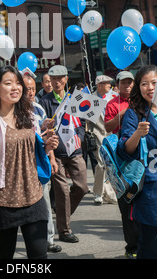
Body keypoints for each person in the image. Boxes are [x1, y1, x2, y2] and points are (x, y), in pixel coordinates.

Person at [0, 65, 59, 259]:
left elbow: (33, 151)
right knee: (4, 256)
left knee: (39, 256)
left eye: (17, 83)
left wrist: (47, 146)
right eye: (8, 83)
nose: (15, 87)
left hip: (33, 195)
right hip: (3, 200)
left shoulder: (28, 115)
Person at [39, 65, 88, 243]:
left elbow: (82, 123)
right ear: (49, 81)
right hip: (56, 152)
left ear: (67, 79)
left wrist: (79, 138)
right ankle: (65, 229)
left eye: (60, 78)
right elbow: (42, 128)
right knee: (62, 190)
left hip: (74, 150)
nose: (57, 81)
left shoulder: (75, 99)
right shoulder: (44, 101)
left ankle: (61, 210)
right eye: (53, 78)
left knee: (82, 187)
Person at [117, 65, 157, 259]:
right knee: (149, 244)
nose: (150, 87)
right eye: (144, 83)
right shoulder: (134, 113)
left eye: (154, 83)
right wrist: (137, 134)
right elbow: (125, 149)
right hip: (150, 189)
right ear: (138, 88)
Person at [22, 73, 61, 254]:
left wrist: (51, 158)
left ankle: (49, 239)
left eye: (32, 88)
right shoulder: (13, 110)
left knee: (44, 201)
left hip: (39, 162)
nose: (30, 92)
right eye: (26, 89)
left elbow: (47, 137)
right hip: (20, 166)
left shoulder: (38, 109)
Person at [104, 70, 138, 258]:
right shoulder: (112, 104)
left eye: (130, 82)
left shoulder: (142, 101)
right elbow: (107, 127)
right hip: (120, 158)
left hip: (141, 158)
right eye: (123, 83)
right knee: (126, 201)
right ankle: (131, 246)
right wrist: (124, 114)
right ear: (117, 85)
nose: (127, 86)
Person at [86, 75, 117, 205]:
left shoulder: (114, 97)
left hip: (112, 135)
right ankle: (98, 193)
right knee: (100, 164)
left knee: (111, 165)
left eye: (109, 83)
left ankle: (109, 193)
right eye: (106, 83)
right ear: (99, 85)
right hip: (98, 135)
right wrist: (88, 134)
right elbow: (88, 121)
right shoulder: (91, 99)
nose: (109, 85)